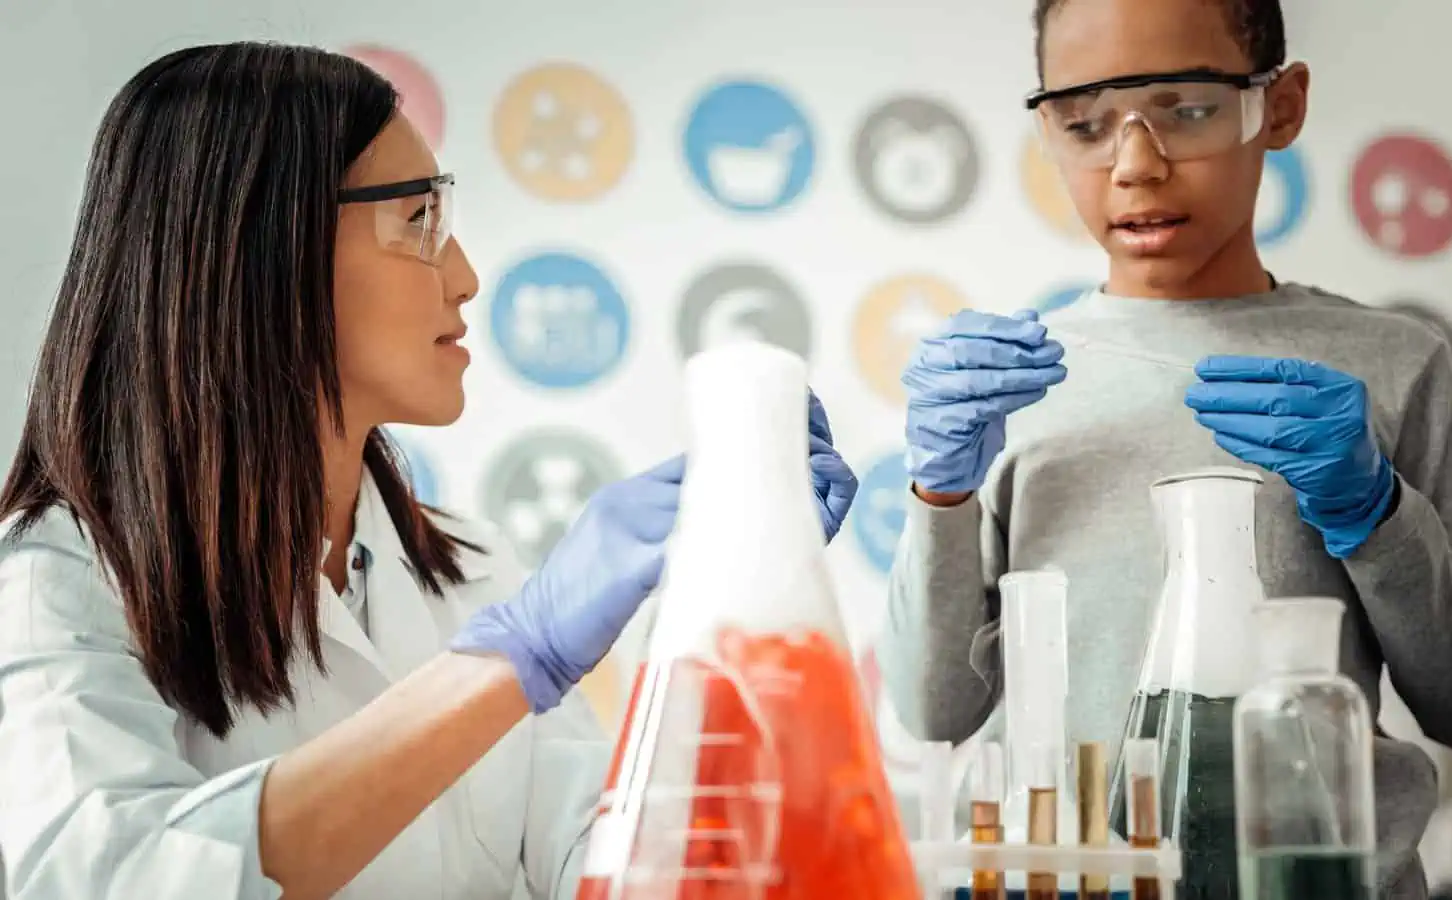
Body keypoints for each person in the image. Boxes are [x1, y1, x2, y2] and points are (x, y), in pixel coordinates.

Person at [0, 42, 859, 900]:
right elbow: (109, 877)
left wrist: (728, 606)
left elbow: (605, 867)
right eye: (419, 222)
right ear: (263, 248)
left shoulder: (471, 570)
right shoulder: (58, 581)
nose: (466, 277)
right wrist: (506, 664)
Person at [876, 1, 1452, 898]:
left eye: (1187, 109)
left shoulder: (1392, 363)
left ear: (1282, 105)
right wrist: (938, 498)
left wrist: (1375, 512)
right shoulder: (1007, 387)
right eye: (1086, 124)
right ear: (1047, 131)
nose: (1135, 166)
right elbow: (932, 709)